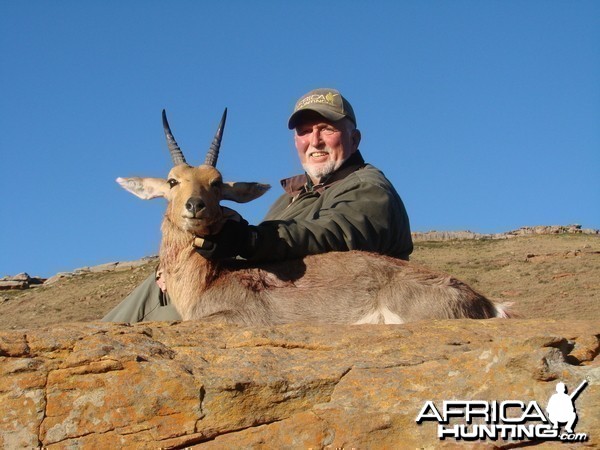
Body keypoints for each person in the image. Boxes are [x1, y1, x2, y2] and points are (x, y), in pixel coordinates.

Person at [102, 88, 413, 322]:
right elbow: (262, 257)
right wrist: (179, 265)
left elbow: (332, 235)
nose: (315, 141)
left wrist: (248, 239)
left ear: (355, 139)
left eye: (327, 129)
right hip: (267, 296)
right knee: (155, 288)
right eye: (305, 131)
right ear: (296, 142)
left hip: (316, 301)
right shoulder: (289, 198)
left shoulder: (369, 186)